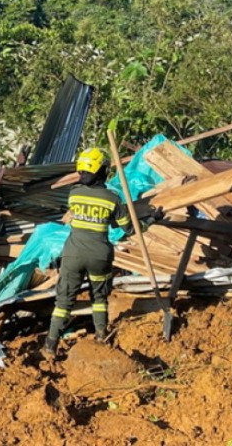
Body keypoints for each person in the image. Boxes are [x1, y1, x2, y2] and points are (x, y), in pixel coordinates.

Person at [43, 148, 133, 357]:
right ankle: (101, 336)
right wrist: (151, 219)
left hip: (73, 254)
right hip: (99, 256)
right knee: (99, 298)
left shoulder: (74, 194)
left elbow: (80, 213)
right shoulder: (113, 199)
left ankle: (50, 345)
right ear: (103, 171)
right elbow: (127, 227)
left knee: (64, 301)